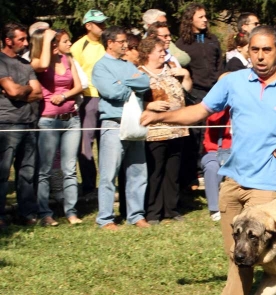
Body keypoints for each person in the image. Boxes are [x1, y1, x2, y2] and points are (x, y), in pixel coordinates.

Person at [140, 26, 276, 295]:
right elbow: (199, 111)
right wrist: (160, 118)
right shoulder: (235, 82)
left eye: (267, 50)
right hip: (233, 181)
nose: (261, 56)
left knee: (245, 255)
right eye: (255, 50)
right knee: (235, 252)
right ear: (247, 51)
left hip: (268, 185)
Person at [92, 26, 151, 230]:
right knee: (109, 174)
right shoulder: (101, 67)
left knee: (137, 171)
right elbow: (111, 92)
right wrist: (130, 85)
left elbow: (145, 83)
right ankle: (105, 218)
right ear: (110, 43)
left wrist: (123, 82)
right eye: (122, 41)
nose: (126, 45)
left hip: (135, 123)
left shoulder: (128, 65)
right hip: (114, 124)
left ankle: (136, 215)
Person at [30, 28, 84, 226]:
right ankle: (45, 213)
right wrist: (47, 40)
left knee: (70, 168)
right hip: (49, 120)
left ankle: (71, 212)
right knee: (45, 170)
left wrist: (64, 96)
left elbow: (78, 87)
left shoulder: (67, 60)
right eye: (56, 42)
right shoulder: (37, 63)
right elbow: (43, 63)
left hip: (72, 118)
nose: (60, 45)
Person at [138, 36, 191, 225]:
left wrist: (185, 76)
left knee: (172, 171)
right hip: (155, 131)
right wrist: (150, 105)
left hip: (177, 128)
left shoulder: (171, 69)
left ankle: (171, 208)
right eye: (159, 51)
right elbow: (134, 101)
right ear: (147, 53)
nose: (163, 54)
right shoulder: (140, 73)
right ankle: (153, 211)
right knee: (156, 171)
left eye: (163, 51)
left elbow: (187, 90)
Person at [176, 3, 223, 191]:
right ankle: (191, 177)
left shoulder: (213, 41)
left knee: (213, 134)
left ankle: (210, 172)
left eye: (205, 16)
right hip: (195, 94)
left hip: (215, 91)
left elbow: (220, 64)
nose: (205, 20)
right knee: (195, 136)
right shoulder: (182, 45)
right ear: (190, 19)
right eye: (200, 17)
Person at [0, 22, 43, 229]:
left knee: (27, 171)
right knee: (2, 172)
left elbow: (37, 93)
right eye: (21, 39)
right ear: (8, 40)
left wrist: (19, 90)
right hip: (8, 124)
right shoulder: (0, 62)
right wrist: (22, 90)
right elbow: (15, 91)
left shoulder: (25, 64)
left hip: (29, 123)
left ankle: (27, 213)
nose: (26, 43)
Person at [71, 9, 107, 197]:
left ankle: (107, 184)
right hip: (88, 98)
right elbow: (72, 73)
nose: (102, 26)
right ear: (88, 25)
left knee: (107, 142)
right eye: (98, 23)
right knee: (86, 143)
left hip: (109, 98)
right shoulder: (78, 46)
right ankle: (89, 186)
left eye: (103, 23)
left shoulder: (108, 42)